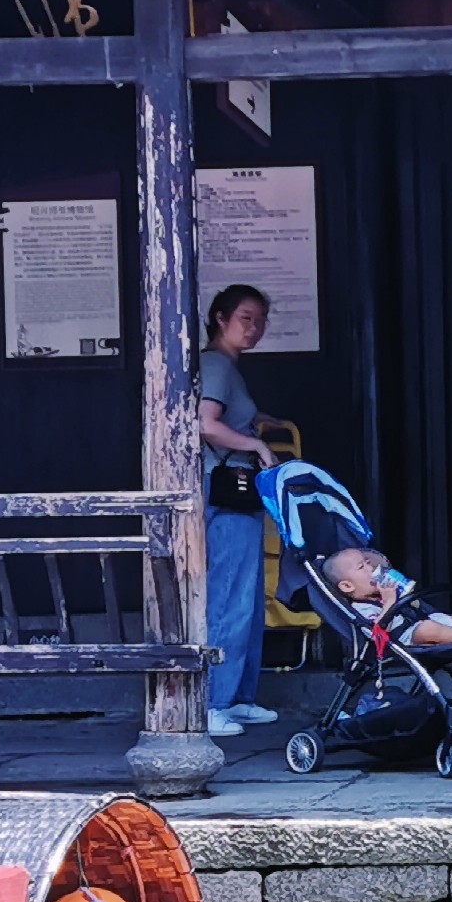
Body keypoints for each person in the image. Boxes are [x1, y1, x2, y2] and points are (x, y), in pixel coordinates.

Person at [196, 285, 278, 738]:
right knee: (229, 591)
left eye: (260, 319)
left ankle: (240, 696)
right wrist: (256, 444)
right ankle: (214, 702)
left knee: (246, 591)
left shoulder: (227, 367)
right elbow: (206, 424)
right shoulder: (215, 364)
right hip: (227, 486)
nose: (254, 328)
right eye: (245, 318)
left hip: (238, 488)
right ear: (220, 317)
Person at [318, 545, 452, 661]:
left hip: (428, 621)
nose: (370, 569)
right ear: (347, 587)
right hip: (407, 638)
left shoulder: (381, 591)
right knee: (428, 629)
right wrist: (390, 602)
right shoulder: (361, 608)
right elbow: (376, 634)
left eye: (368, 563)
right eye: (362, 568)